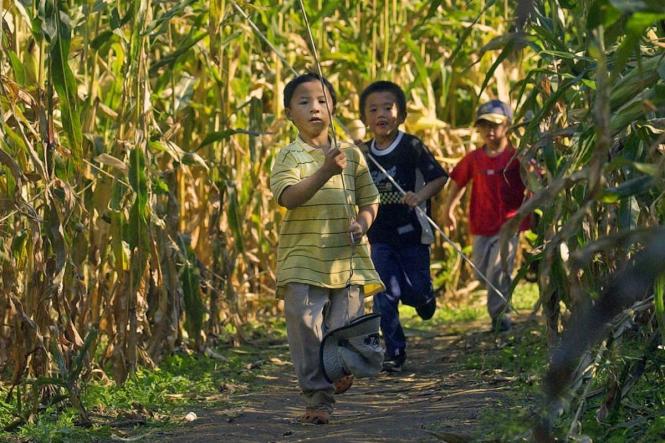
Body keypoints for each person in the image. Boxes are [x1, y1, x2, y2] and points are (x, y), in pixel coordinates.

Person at [270, 72, 384, 424]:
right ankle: (318, 400)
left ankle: (338, 368)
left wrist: (362, 224)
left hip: (345, 260)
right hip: (302, 259)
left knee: (342, 329)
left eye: (322, 101)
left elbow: (370, 200)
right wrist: (324, 171)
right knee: (305, 327)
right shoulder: (288, 156)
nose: (314, 108)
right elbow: (289, 197)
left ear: (333, 108)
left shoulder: (351, 154)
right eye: (304, 102)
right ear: (290, 113)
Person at [359, 81, 448, 372]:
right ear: (364, 118)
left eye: (388, 107)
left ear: (401, 114)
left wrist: (420, 196)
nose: (381, 114)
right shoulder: (362, 153)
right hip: (379, 236)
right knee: (385, 295)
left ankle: (424, 299)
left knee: (415, 290)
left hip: (412, 233)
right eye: (373, 109)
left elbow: (439, 177)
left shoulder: (411, 146)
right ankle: (394, 352)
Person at [440, 99, 528, 332]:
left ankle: (500, 318)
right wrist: (448, 209)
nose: (489, 131)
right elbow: (458, 182)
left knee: (498, 270)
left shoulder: (517, 156)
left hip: (508, 225)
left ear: (507, 126)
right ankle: (500, 308)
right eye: (484, 125)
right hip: (481, 225)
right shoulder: (474, 158)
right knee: (482, 274)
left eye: (495, 125)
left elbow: (535, 182)